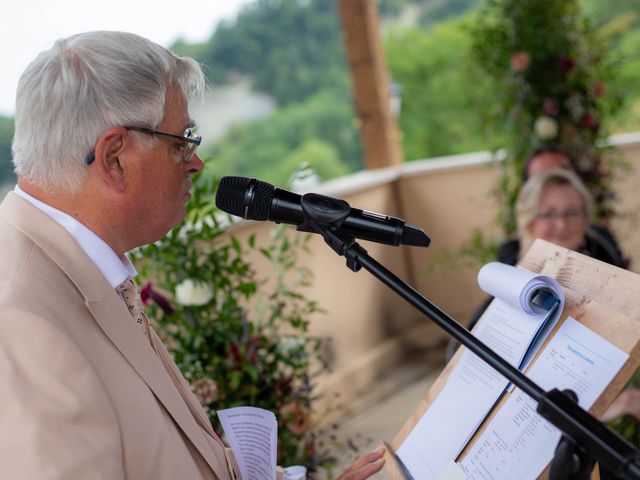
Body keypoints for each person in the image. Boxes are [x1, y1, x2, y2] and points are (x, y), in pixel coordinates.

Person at [0, 31, 384, 479]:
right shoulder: (21, 318)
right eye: (181, 140)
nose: (195, 161)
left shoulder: (74, 263)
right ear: (115, 158)